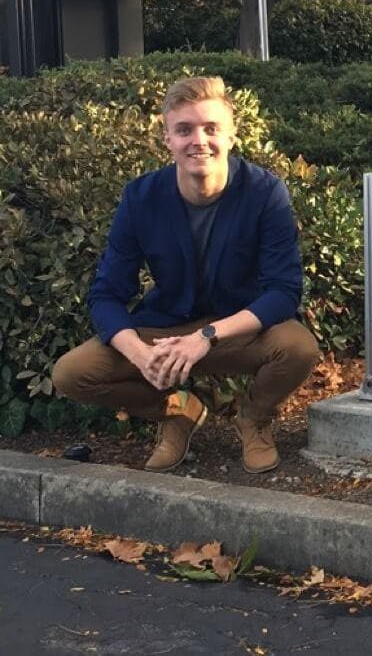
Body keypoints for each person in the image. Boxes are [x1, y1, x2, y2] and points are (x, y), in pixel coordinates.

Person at [53, 76, 320, 475]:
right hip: (166, 327)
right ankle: (176, 413)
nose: (199, 140)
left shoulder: (265, 193)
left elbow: (283, 291)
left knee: (298, 348)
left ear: (231, 136)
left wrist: (206, 337)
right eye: (184, 130)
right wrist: (140, 355)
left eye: (211, 128)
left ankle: (254, 418)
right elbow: (107, 294)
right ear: (168, 140)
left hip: (235, 331)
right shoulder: (140, 197)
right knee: (72, 374)